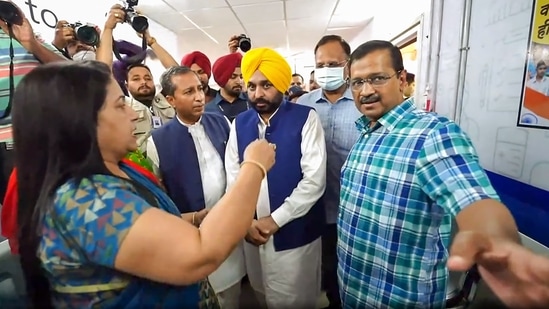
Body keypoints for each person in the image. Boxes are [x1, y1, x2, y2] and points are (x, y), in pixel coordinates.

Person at [12, 60, 276, 308]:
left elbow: (148, 223)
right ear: (80, 120)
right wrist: (254, 166)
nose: (134, 115)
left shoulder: (118, 170)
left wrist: (198, 217)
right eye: (119, 105)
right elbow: (200, 254)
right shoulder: (85, 201)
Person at [338, 40, 549, 308]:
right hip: (354, 290)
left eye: (377, 78)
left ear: (401, 79)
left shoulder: (433, 134)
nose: (366, 91)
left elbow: (473, 199)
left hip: (400, 299)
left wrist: (497, 240)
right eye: (357, 83)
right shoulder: (367, 132)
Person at [225, 47, 326, 308]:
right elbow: (233, 177)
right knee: (261, 294)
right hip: (252, 234)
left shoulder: (306, 118)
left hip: (295, 234)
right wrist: (246, 221)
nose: (258, 94)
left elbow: (314, 181)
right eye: (252, 86)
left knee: (296, 298)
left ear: (281, 84)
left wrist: (275, 220)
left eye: (266, 85)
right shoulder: (240, 123)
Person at [146, 66, 245, 308]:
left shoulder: (220, 122)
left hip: (227, 229)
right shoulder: (157, 141)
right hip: (191, 237)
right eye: (189, 91)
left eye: (200, 89)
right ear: (171, 100)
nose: (199, 96)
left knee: (231, 296)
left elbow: (235, 168)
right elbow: (158, 198)